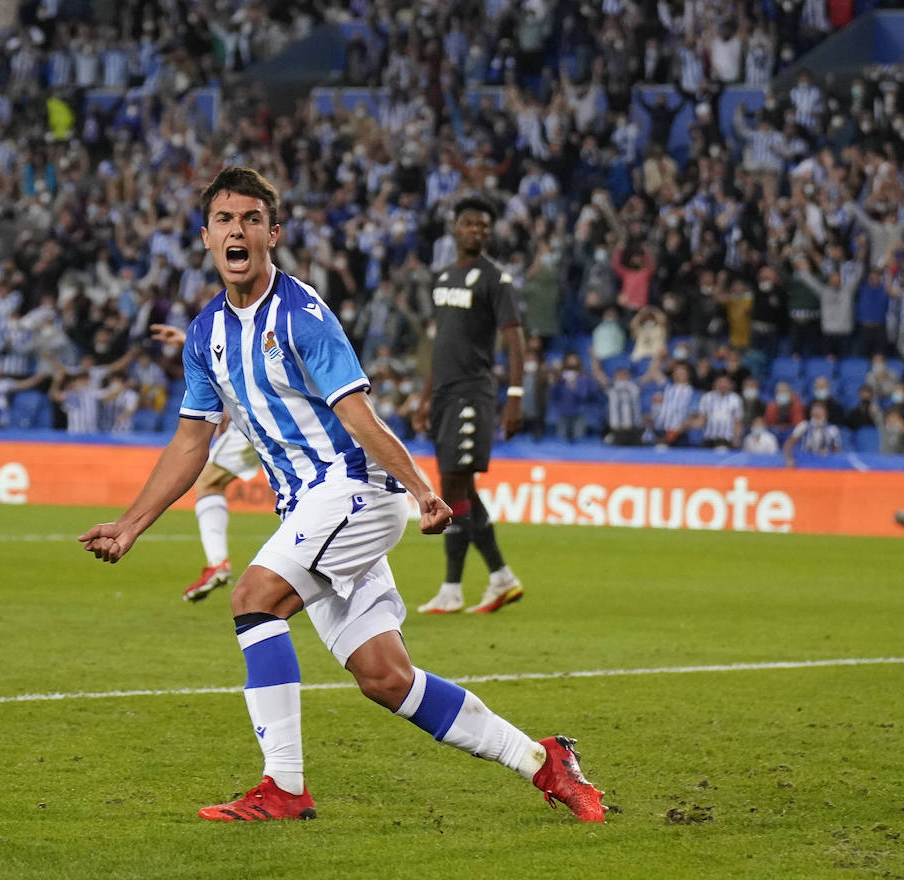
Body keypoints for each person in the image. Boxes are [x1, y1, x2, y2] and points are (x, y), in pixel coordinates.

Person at [80, 167, 604, 824]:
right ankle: (542, 760)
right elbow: (191, 442)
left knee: (253, 598)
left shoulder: (301, 316)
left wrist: (422, 491)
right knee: (386, 679)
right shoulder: (206, 333)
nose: (236, 230)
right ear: (207, 237)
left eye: (249, 219)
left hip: (353, 489)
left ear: (273, 233)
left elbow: (359, 414)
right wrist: (131, 524)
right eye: (223, 219)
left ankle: (285, 787)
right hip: (312, 507)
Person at [413, 196, 526, 615]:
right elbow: (441, 343)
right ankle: (500, 578)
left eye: (484, 226)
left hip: (472, 393)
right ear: (455, 228)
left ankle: (452, 588)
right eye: (470, 224)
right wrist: (424, 400)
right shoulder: (442, 278)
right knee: (462, 490)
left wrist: (514, 396)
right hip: (444, 394)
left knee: (453, 487)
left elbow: (514, 340)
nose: (477, 231)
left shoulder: (496, 279)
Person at [146, 322, 264, 603]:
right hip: (269, 410)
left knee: (208, 480)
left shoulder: (259, 312)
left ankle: (218, 563)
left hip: (259, 412)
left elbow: (240, 357)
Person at [783, 401, 842, 467]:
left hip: (825, 463)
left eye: (820, 410)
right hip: (805, 462)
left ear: (826, 413)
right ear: (811, 413)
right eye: (815, 410)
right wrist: (789, 459)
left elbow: (837, 450)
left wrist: (835, 462)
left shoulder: (832, 429)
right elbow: (788, 444)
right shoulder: (803, 426)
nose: (817, 412)